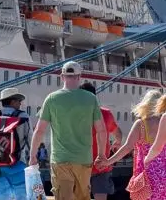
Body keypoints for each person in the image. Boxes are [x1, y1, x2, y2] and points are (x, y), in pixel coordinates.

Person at [29, 61, 106, 200]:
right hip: (83, 160)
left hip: (60, 160)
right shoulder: (91, 98)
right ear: (79, 76)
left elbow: (40, 130)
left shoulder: (52, 99)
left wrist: (33, 155)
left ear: (62, 77)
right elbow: (101, 130)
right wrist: (101, 154)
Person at [97, 89, 163, 185]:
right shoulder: (164, 124)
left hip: (145, 175)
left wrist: (108, 162)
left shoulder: (141, 125)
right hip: (163, 173)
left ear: (145, 105)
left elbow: (127, 147)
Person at [79, 82, 121, 200]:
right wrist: (117, 142)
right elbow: (118, 132)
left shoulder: (75, 114)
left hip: (80, 165)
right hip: (101, 165)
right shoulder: (106, 113)